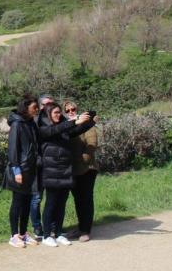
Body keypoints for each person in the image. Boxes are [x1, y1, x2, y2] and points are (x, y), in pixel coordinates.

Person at [37, 102, 94, 247]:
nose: (58, 115)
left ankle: (58, 233)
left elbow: (74, 131)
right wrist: (74, 121)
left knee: (61, 204)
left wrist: (90, 121)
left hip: (64, 171)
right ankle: (46, 235)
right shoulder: (43, 128)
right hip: (51, 172)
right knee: (51, 204)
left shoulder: (62, 128)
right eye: (55, 113)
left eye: (59, 112)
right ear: (49, 114)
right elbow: (56, 130)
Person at [4, 96, 40, 248]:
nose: (37, 110)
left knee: (26, 203)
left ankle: (24, 234)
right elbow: (13, 149)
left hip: (31, 169)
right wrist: (16, 170)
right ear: (26, 109)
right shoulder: (17, 124)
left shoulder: (31, 123)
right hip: (19, 169)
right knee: (17, 203)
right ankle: (14, 235)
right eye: (34, 107)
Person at [64, 101, 99, 241]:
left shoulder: (86, 124)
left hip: (87, 168)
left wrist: (83, 160)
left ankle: (86, 230)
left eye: (73, 109)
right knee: (78, 199)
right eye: (68, 110)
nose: (71, 111)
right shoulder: (67, 126)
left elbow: (92, 145)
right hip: (73, 169)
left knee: (86, 199)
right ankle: (81, 227)